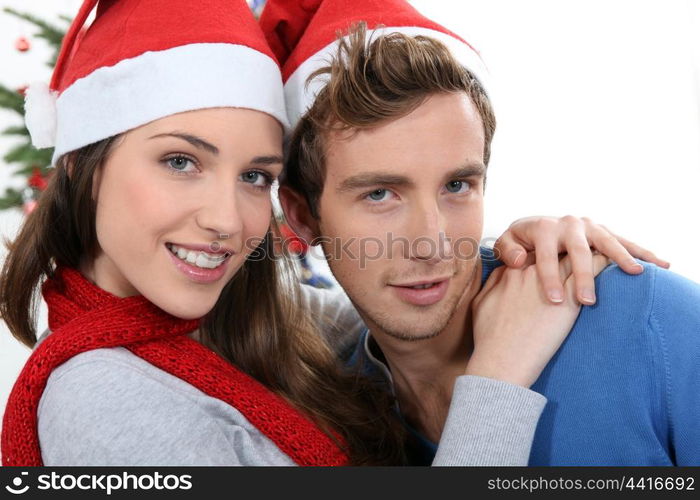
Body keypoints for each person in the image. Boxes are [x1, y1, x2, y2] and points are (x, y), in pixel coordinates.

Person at [0, 0, 669, 467]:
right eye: (181, 161)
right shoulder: (97, 395)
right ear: (84, 167)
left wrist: (525, 250)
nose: (228, 220)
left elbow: (386, 308)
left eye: (254, 176)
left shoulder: (240, 324)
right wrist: (495, 383)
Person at [271, 0, 700, 465]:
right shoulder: (326, 408)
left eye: (457, 186)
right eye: (379, 194)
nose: (431, 243)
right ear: (303, 217)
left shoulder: (651, 320)